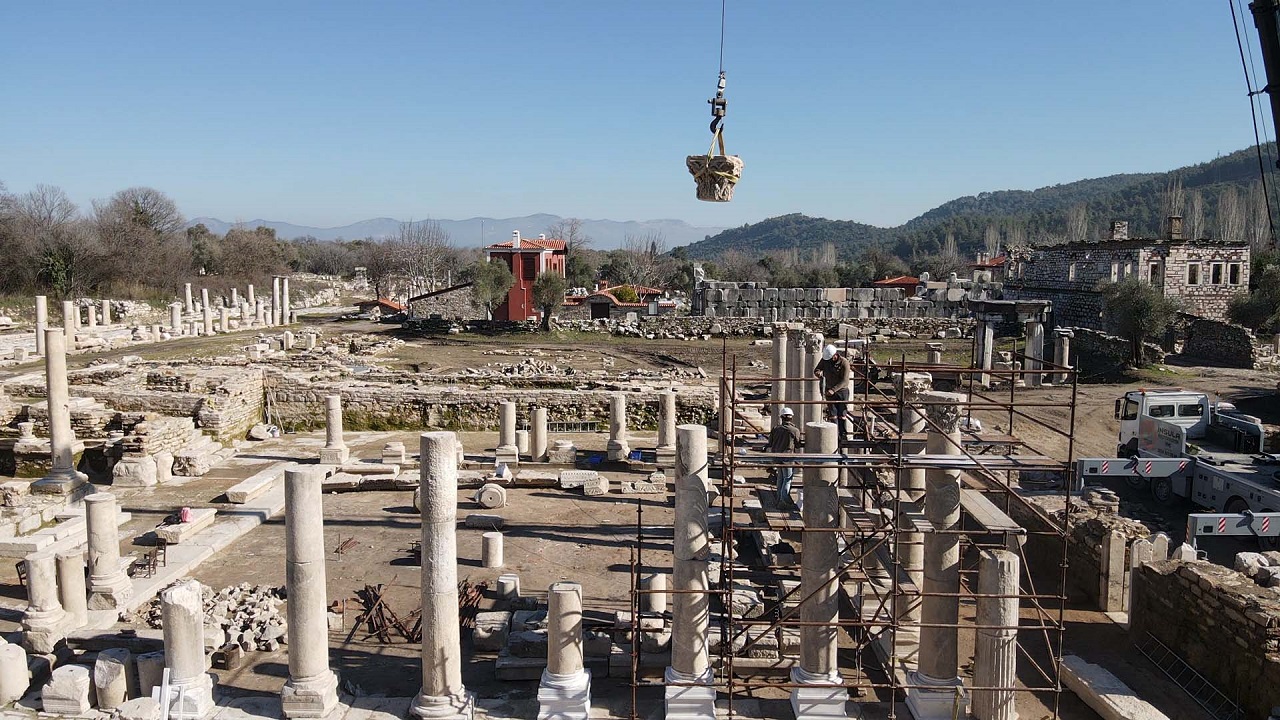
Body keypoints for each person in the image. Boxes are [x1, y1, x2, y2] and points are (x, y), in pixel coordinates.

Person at [814, 344, 852, 440]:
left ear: (835, 355)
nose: (829, 361)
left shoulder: (844, 363)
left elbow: (844, 381)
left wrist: (833, 389)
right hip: (829, 391)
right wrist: (818, 373)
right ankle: (834, 435)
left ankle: (843, 435)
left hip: (842, 392)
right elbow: (817, 369)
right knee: (832, 414)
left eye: (831, 359)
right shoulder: (826, 360)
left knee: (842, 414)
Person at [767, 406, 802, 510]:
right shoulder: (794, 430)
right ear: (791, 418)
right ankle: (785, 500)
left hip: (776, 457)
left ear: (781, 417)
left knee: (781, 478)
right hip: (787, 458)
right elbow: (798, 444)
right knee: (787, 478)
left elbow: (770, 442)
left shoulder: (775, 428)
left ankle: (779, 499)